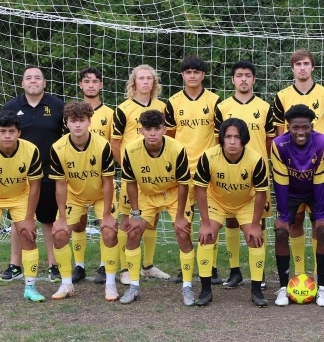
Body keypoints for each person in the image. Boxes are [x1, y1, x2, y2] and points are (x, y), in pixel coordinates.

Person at [274, 50, 324, 285]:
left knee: (319, 223)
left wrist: (319, 151)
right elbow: (280, 131)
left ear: (312, 67)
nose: (302, 67)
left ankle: (320, 277)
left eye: (306, 63)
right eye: (298, 64)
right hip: (291, 166)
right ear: (292, 68)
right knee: (294, 220)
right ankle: (299, 274)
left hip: (316, 162)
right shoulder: (281, 96)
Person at [194, 118, 269, 307]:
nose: (232, 141)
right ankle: (205, 290)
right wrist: (204, 223)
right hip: (217, 201)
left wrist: (255, 225)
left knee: (255, 239)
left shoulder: (256, 159)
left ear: (244, 139)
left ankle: (257, 290)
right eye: (228, 136)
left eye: (237, 137)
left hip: (246, 202)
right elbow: (200, 190)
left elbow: (261, 193)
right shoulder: (208, 157)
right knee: (207, 236)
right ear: (221, 139)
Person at [118, 110, 190, 305]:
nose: (152, 133)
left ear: (164, 130)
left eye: (157, 129)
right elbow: (131, 182)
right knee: (133, 232)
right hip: (147, 196)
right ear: (140, 130)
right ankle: (134, 285)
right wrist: (134, 213)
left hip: (174, 195)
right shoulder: (131, 151)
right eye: (148, 129)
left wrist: (181, 215)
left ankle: (188, 286)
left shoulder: (177, 149)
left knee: (183, 232)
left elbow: (184, 184)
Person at [213, 60, 275, 289]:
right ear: (232, 79)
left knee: (259, 221)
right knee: (230, 218)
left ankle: (259, 274)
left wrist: (259, 162)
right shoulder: (222, 107)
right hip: (228, 173)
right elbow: (218, 140)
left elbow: (269, 141)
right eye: (239, 75)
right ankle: (235, 270)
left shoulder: (265, 107)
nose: (244, 79)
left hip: (257, 172)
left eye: (248, 75)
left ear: (254, 79)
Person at [0, 65, 64, 283]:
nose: (33, 81)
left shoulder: (57, 106)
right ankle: (15, 265)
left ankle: (54, 265)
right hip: (19, 174)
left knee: (47, 220)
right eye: (29, 78)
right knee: (20, 220)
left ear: (44, 83)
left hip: (48, 171)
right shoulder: (11, 106)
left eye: (38, 78)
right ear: (22, 83)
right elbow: (4, 138)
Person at [0, 110, 44, 303]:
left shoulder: (31, 150)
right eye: (3, 131)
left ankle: (31, 287)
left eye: (11, 131)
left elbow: (35, 185)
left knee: (28, 235)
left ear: (18, 132)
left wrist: (29, 218)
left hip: (20, 195)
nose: (7, 136)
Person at [48, 102, 117, 300]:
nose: (77, 125)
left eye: (81, 121)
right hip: (74, 196)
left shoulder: (102, 145)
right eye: (73, 121)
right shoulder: (58, 148)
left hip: (100, 195)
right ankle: (66, 284)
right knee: (59, 234)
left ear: (89, 122)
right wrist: (61, 217)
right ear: (67, 123)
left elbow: (107, 181)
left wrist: (106, 216)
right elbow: (60, 185)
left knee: (110, 231)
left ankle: (110, 284)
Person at [164, 56, 222, 285]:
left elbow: (219, 137)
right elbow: (169, 137)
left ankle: (212, 266)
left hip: (207, 170)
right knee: (184, 220)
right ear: (183, 75)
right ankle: (185, 265)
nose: (192, 75)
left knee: (210, 218)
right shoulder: (173, 102)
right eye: (188, 72)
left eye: (196, 72)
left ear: (203, 75)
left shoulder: (215, 101)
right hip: (182, 172)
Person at [111, 64, 169, 284]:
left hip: (156, 175)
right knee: (127, 220)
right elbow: (115, 143)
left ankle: (148, 266)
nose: (145, 82)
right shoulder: (123, 109)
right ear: (133, 82)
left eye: (149, 78)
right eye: (141, 78)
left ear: (154, 83)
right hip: (133, 176)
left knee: (152, 218)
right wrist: (127, 167)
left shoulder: (163, 107)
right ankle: (125, 268)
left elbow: (169, 139)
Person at [271, 104, 324, 307]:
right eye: (295, 127)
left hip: (316, 190)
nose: (300, 132)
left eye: (305, 127)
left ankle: (321, 285)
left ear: (312, 126)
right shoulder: (278, 144)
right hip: (290, 191)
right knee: (281, 231)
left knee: (323, 229)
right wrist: (282, 215)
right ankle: (283, 286)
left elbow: (321, 180)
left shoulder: (323, 142)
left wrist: (321, 214)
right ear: (288, 127)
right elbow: (280, 182)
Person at [79, 67, 114, 284]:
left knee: (106, 223)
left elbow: (114, 145)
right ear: (80, 85)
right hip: (77, 180)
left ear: (101, 85)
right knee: (78, 223)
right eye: (86, 81)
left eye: (95, 81)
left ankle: (103, 266)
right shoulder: (72, 113)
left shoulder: (110, 114)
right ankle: (79, 266)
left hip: (103, 180)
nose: (91, 85)